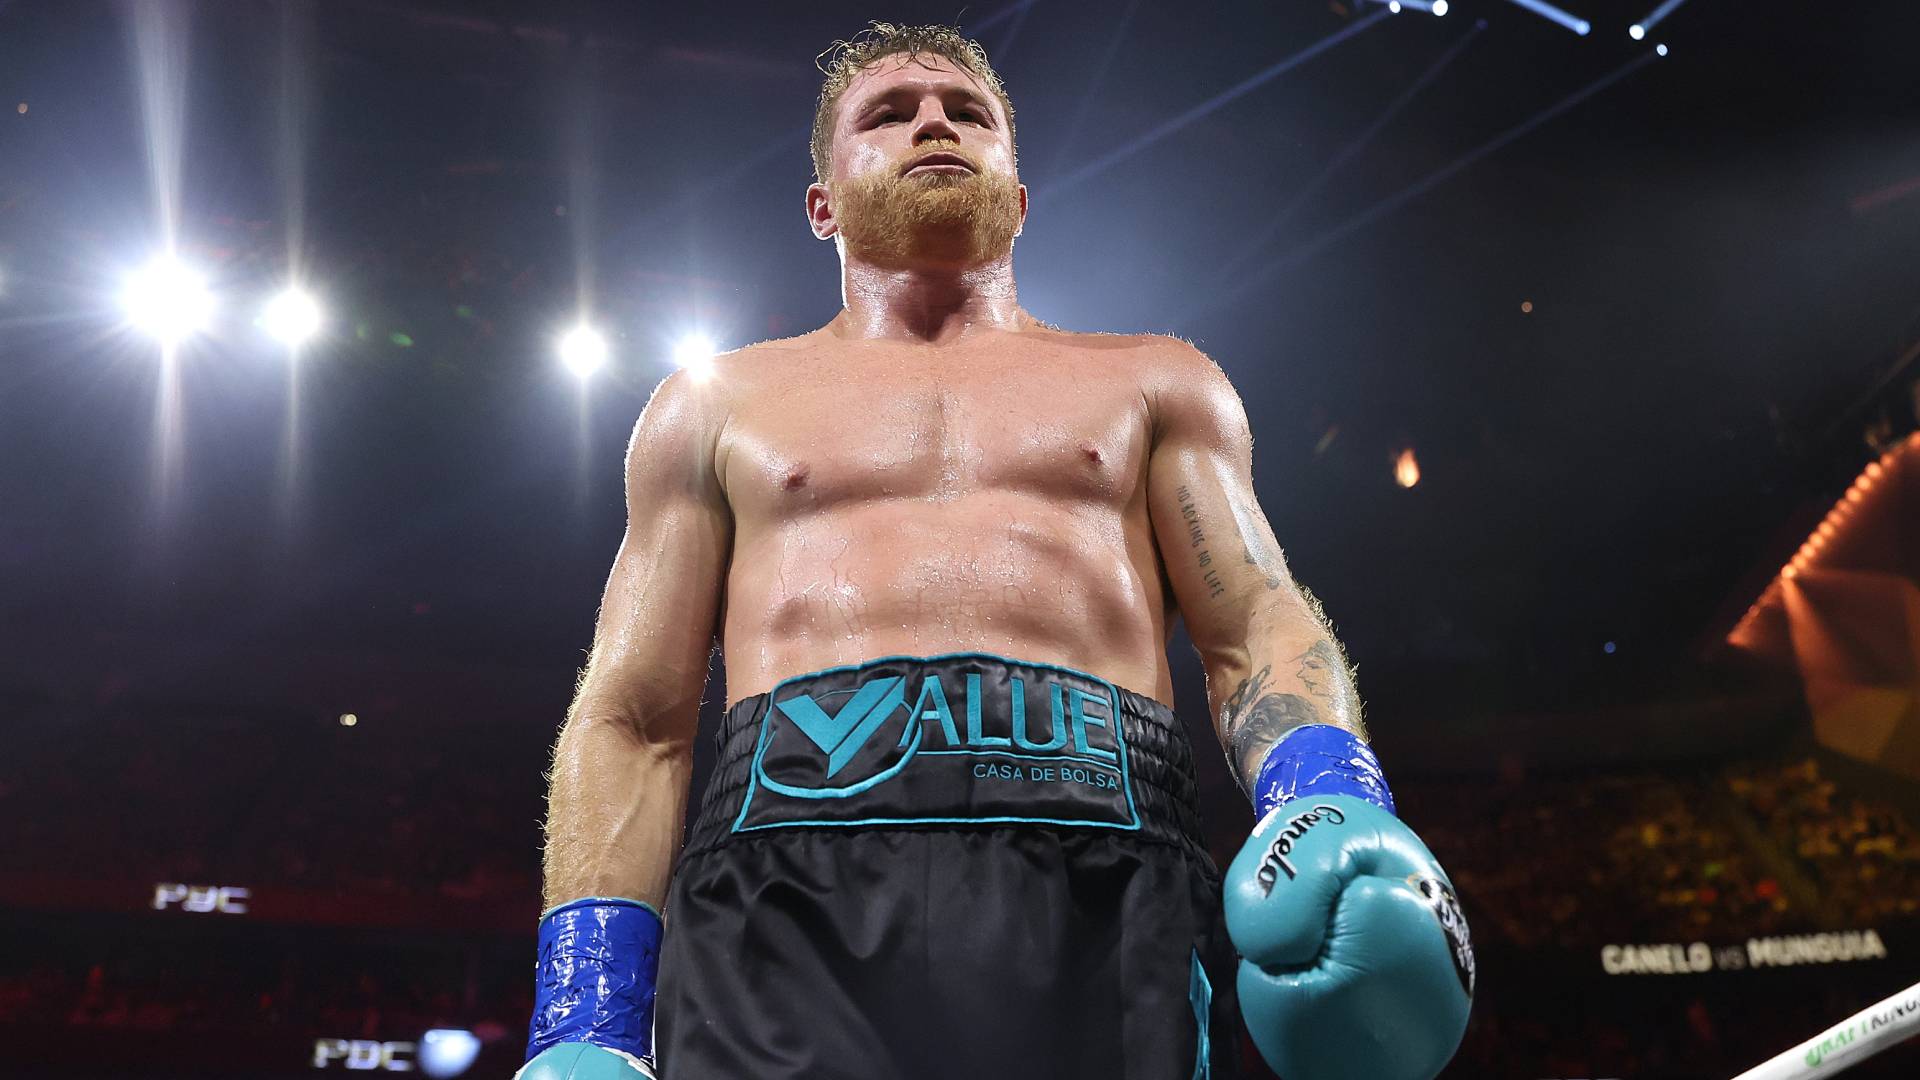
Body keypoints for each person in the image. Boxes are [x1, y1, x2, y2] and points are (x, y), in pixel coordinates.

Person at [518, 21, 1471, 1080]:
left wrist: (1330, 794)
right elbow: (634, 716)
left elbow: (1254, 618)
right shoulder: (711, 405)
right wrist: (585, 1014)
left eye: (968, 111)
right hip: (780, 877)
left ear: (1018, 196)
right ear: (822, 206)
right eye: (888, 113)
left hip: (1107, 861)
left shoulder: (1155, 379)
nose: (934, 119)